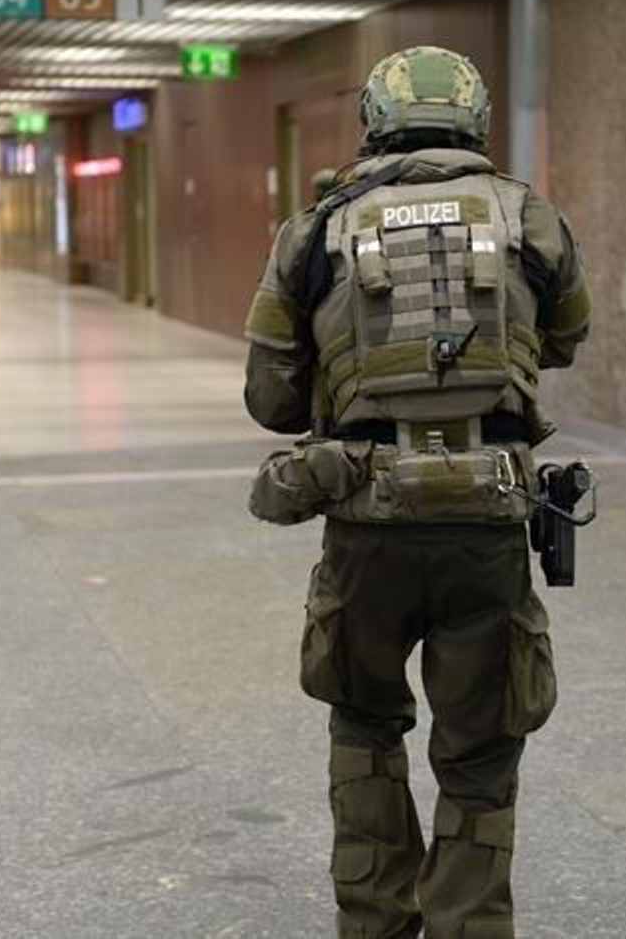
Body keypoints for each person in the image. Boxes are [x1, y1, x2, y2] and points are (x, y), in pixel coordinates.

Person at [243, 46, 591, 937]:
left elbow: (271, 399)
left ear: (372, 120)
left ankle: (376, 923)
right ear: (475, 119)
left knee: (364, 728)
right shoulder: (530, 218)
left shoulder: (313, 231)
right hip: (489, 526)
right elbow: (563, 338)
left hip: (365, 527)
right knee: (480, 751)